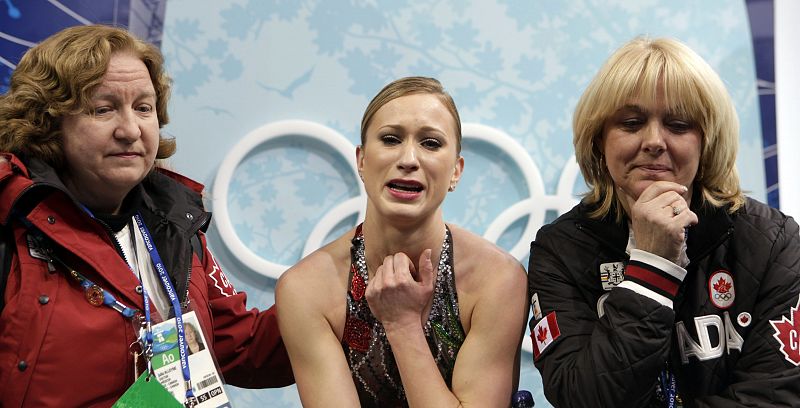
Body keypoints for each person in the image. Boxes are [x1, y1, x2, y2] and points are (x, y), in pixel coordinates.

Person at [0, 25, 293, 406]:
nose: (130, 130)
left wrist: (354, 275)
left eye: (144, 108)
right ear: (48, 123)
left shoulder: (174, 223)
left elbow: (244, 347)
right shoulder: (11, 223)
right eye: (102, 109)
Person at [528, 36, 800, 407]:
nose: (654, 140)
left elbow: (777, 398)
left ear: (708, 141)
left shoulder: (774, 241)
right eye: (632, 122)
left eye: (678, 124)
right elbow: (583, 398)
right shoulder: (559, 249)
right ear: (598, 140)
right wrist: (652, 266)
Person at [276, 76, 529, 407]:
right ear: (362, 161)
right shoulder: (306, 288)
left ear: (456, 171)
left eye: (431, 143)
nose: (409, 159)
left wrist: (402, 324)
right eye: (391, 139)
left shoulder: (498, 279)